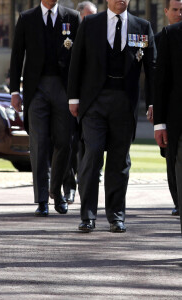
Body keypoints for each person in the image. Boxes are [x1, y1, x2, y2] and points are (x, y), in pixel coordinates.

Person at [67, 0, 156, 233]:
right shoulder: (90, 24)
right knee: (92, 154)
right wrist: (73, 98)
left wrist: (153, 102)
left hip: (124, 103)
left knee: (119, 160)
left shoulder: (142, 27)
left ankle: (116, 216)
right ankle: (87, 215)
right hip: (94, 101)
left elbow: (152, 68)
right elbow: (76, 61)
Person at [9, 0, 81, 217]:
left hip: (63, 89)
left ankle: (56, 190)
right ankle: (42, 200)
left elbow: (79, 57)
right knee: (39, 144)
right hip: (36, 89)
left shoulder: (72, 17)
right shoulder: (26, 18)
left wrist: (79, 93)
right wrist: (14, 91)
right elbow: (17, 56)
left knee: (64, 142)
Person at [62, 1, 98, 205]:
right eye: (87, 16)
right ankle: (69, 188)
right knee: (69, 143)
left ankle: (85, 186)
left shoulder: (99, 36)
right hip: (70, 99)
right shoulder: (69, 37)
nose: (92, 20)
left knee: (88, 146)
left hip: (91, 102)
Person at [150, 0, 182, 217]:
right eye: (176, 9)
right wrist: (159, 122)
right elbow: (160, 82)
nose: (180, 13)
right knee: (176, 165)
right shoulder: (169, 36)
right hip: (178, 119)